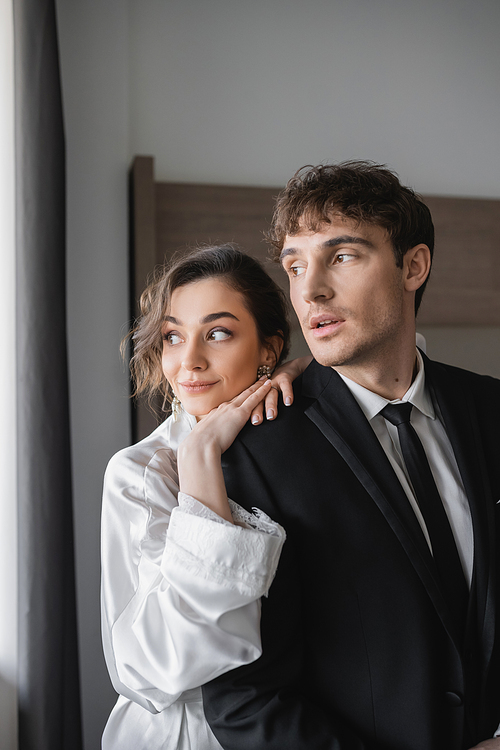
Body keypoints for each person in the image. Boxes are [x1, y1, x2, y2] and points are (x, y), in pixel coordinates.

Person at [203, 162, 500, 750]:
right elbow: (245, 701)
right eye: (294, 265)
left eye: (341, 256)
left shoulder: (491, 408)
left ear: (413, 266)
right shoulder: (256, 453)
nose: (309, 289)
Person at [101, 245, 296, 749]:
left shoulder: (295, 443)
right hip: (182, 734)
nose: (188, 361)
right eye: (172, 336)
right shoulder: (142, 474)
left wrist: (306, 373)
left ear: (269, 350)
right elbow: (145, 671)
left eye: (217, 333)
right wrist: (200, 458)